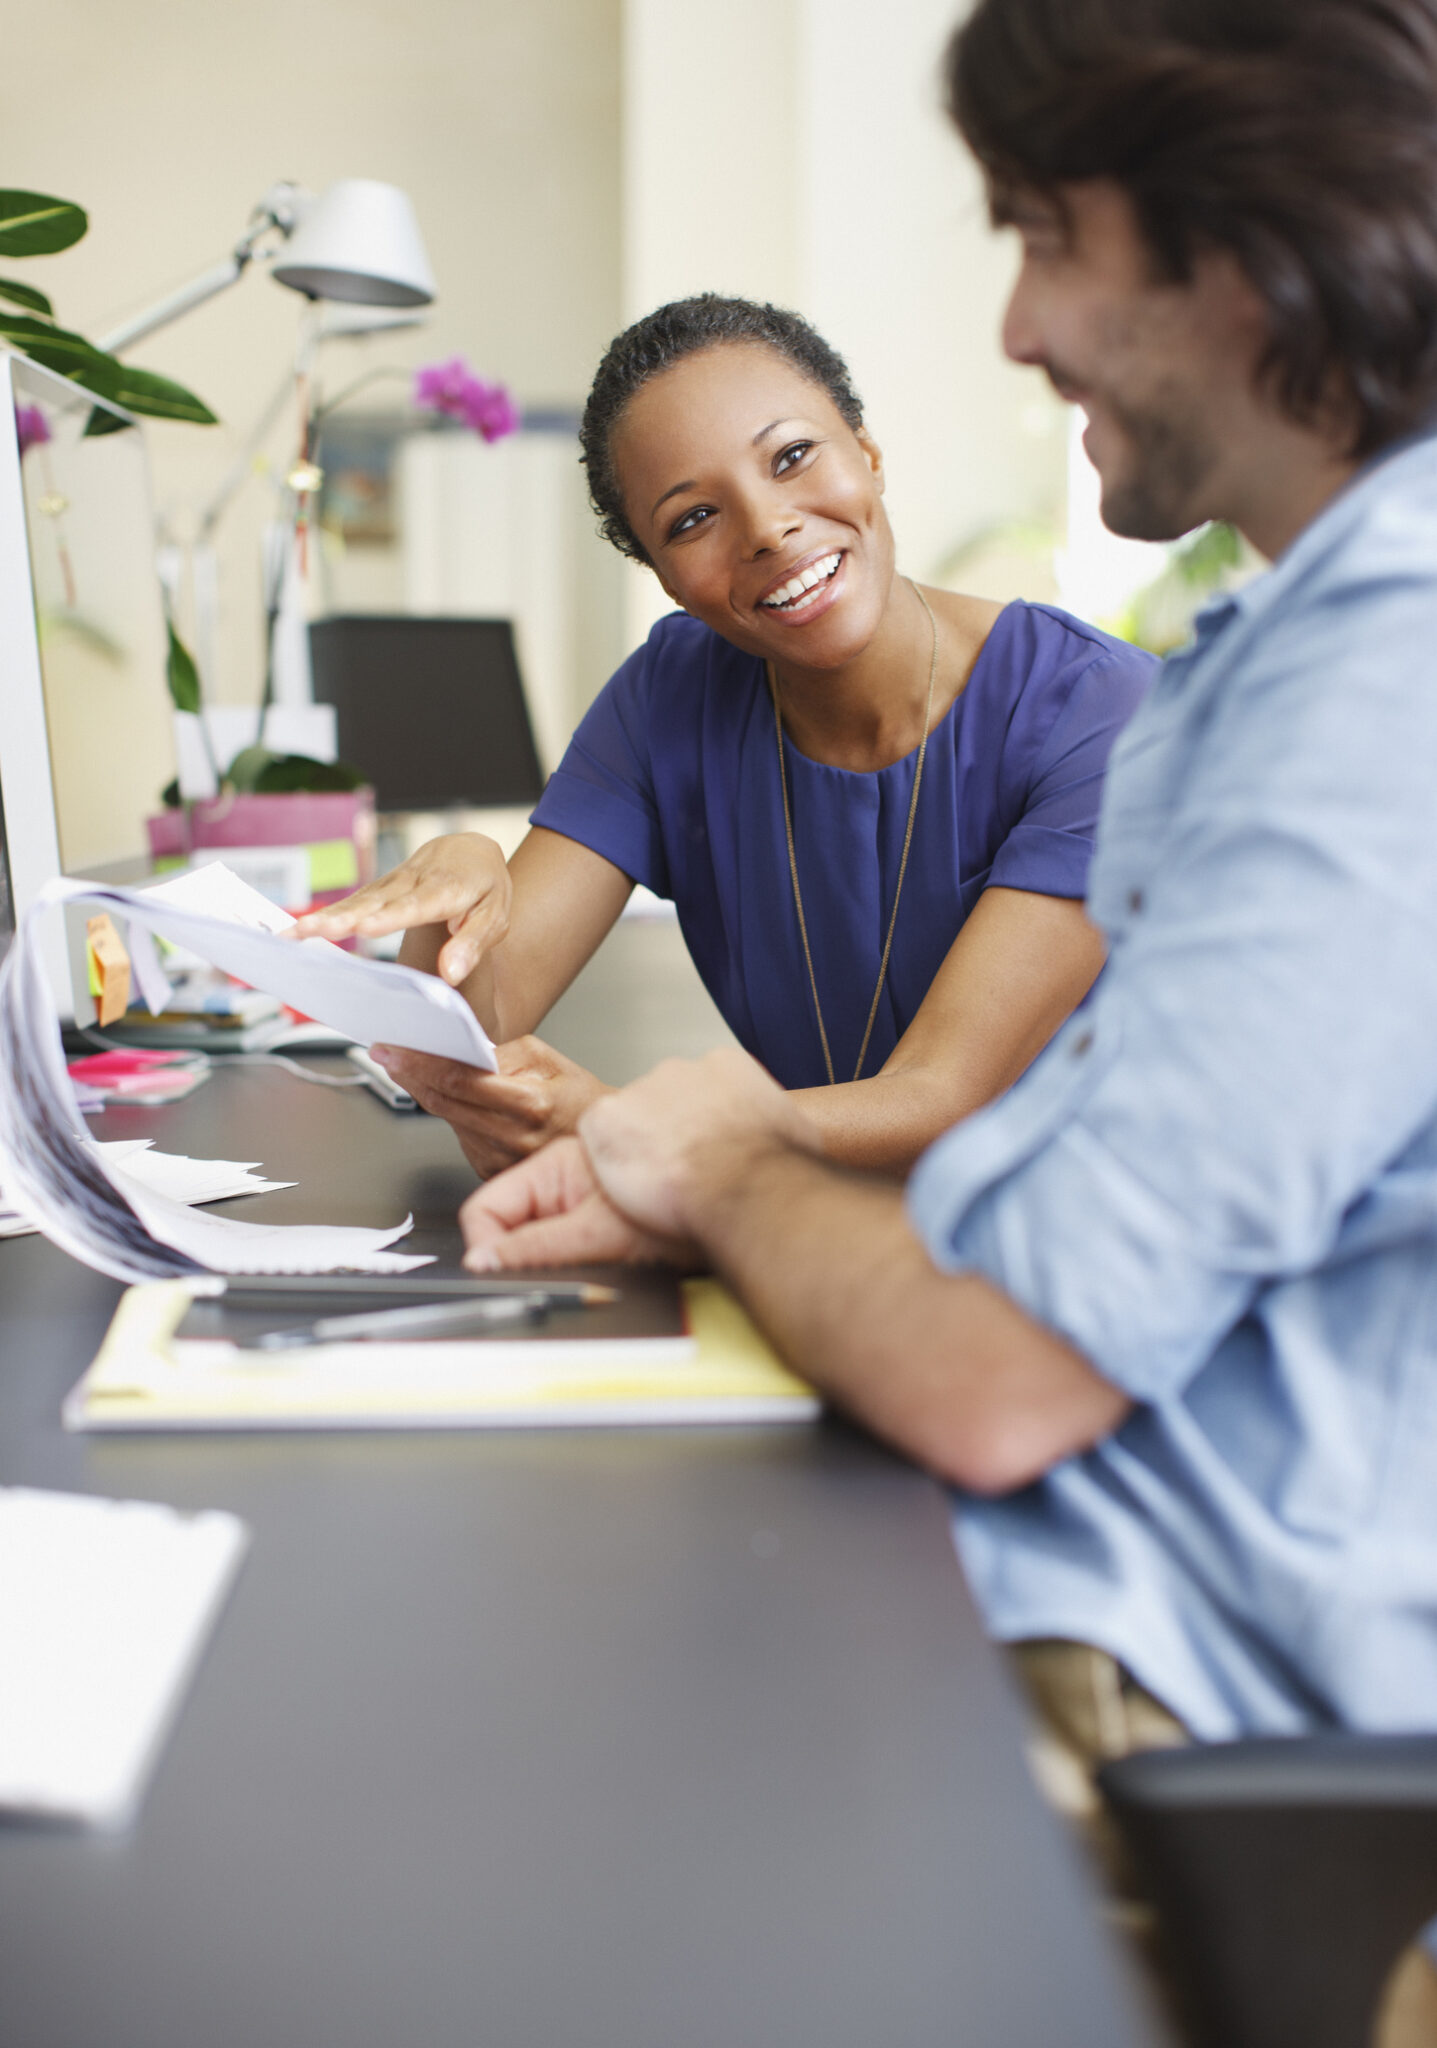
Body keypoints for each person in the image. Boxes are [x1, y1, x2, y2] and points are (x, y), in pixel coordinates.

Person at [456, 2, 1437, 2040]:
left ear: (1243, 245)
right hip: (1052, 1555)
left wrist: (717, 1152)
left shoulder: (1377, 689)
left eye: (1043, 235)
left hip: (1168, 1665)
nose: (1013, 325)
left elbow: (1002, 1366)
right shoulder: (1275, 648)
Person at [296, 296, 1152, 1178]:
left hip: (1092, 1253)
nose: (768, 529)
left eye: (791, 457)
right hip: (820, 1234)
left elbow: (943, 1095)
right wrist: (461, 879)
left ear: (868, 453)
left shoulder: (1100, 710)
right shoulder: (673, 691)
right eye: (691, 520)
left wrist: (638, 1130)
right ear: (662, 576)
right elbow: (468, 1027)